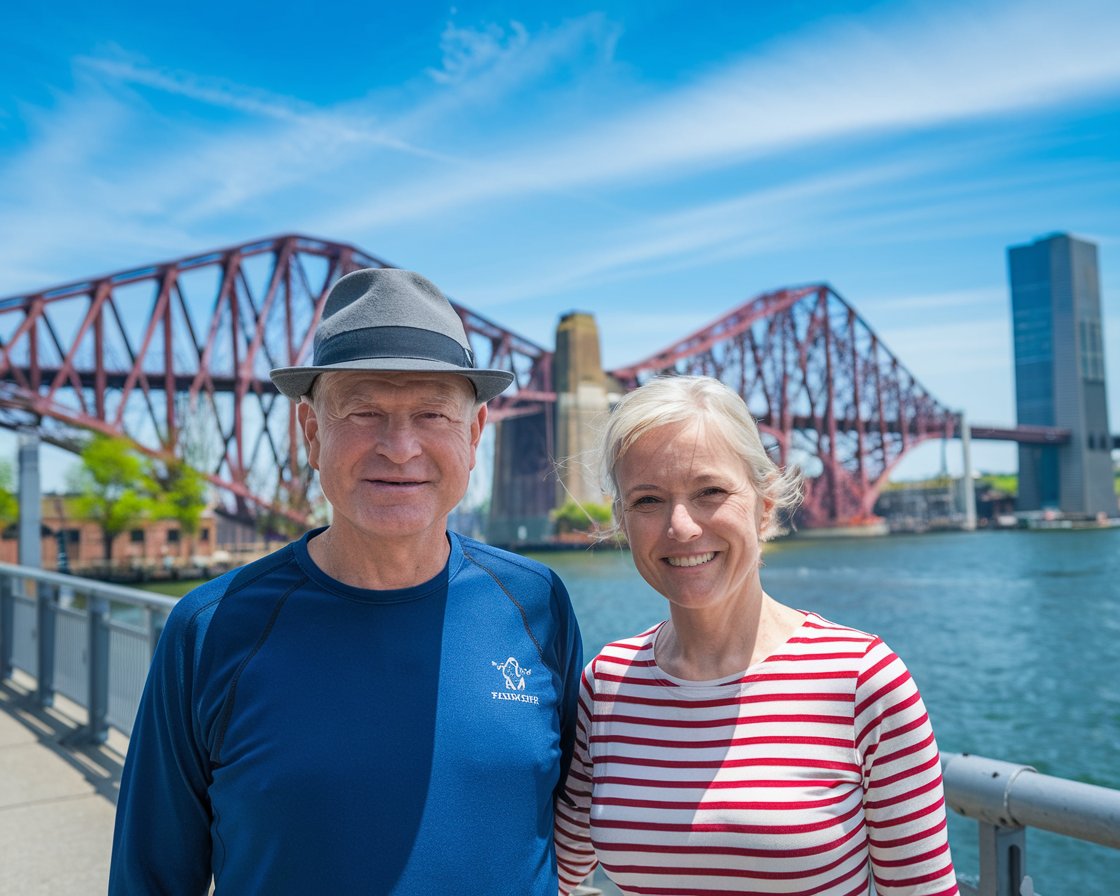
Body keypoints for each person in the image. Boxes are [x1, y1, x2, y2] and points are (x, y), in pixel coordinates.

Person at [109, 267, 583, 895]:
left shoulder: (536, 602)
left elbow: (583, 825)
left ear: (473, 436)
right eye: (363, 412)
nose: (399, 446)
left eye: (432, 414)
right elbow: (150, 877)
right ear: (311, 432)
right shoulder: (210, 629)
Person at [555, 375, 958, 896]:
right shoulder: (606, 685)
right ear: (622, 521)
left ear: (765, 504)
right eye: (648, 500)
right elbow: (545, 878)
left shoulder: (864, 680)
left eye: (711, 492)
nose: (681, 526)